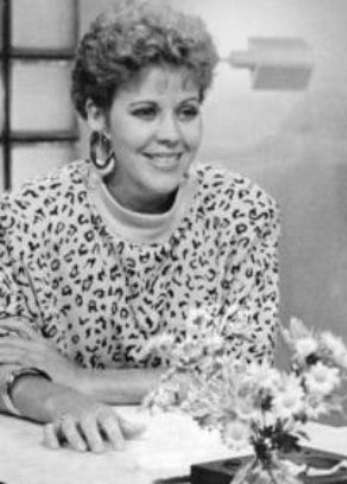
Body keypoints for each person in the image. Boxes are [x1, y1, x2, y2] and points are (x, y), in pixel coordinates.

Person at [0, 1, 279, 453]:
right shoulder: (28, 216)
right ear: (97, 114)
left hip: (204, 456)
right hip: (71, 455)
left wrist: (82, 380)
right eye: (146, 112)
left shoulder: (242, 213)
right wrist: (62, 400)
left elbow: (246, 377)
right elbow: (9, 364)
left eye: (187, 111)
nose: (172, 135)